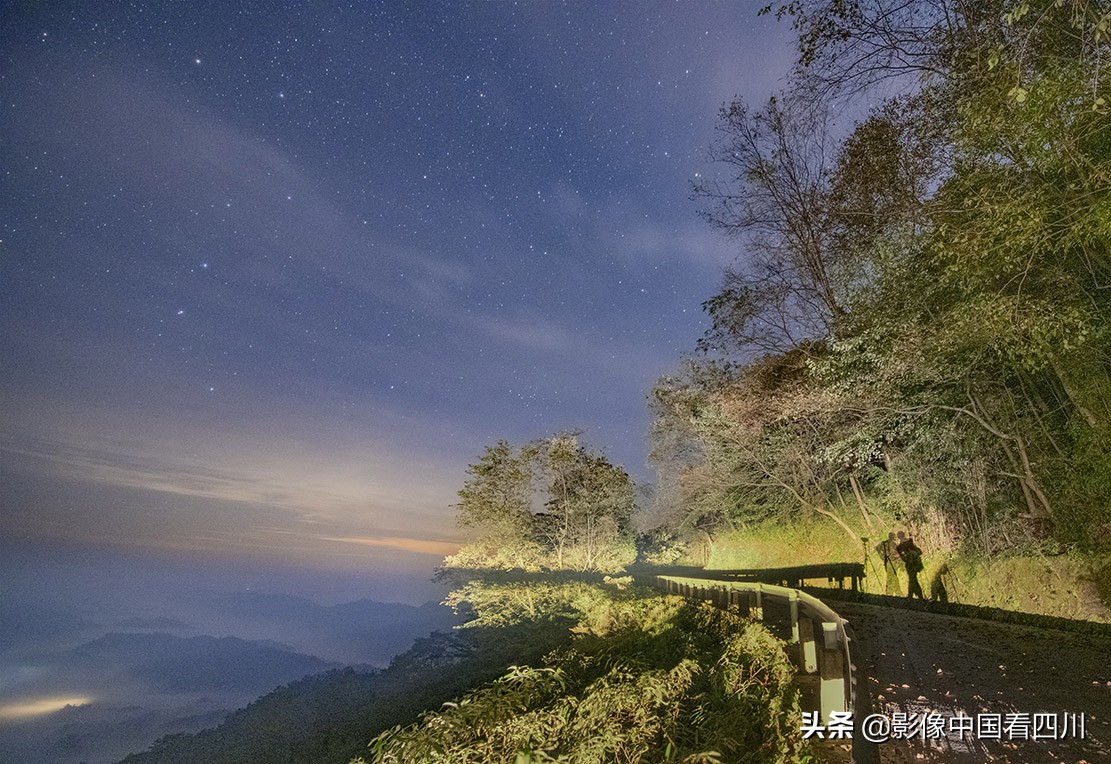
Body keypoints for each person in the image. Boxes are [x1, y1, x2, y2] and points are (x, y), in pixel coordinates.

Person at [896, 531, 924, 599]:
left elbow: (904, 559)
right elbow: (919, 552)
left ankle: (912, 595)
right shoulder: (909, 542)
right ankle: (917, 595)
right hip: (915, 563)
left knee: (912, 579)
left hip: (910, 565)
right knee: (913, 579)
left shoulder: (900, 546)